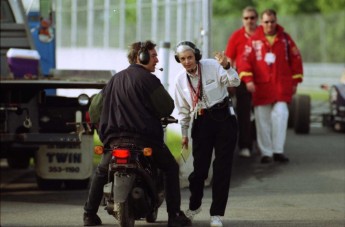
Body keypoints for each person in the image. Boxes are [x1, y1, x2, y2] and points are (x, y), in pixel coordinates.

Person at [83, 40, 191, 227]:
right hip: (143, 140)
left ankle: (89, 215)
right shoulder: (148, 80)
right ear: (141, 57)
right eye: (154, 55)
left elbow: (94, 110)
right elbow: (166, 107)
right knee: (171, 167)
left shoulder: (114, 80)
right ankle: (174, 215)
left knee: (101, 172)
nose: (157, 60)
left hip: (114, 141)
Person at [174, 41, 240, 227]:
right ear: (178, 60)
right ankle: (194, 205)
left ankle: (217, 214)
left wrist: (227, 67)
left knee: (222, 169)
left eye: (190, 57)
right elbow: (183, 110)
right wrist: (184, 133)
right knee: (200, 170)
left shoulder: (212, 65)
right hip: (201, 121)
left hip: (224, 118)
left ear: (197, 56)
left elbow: (235, 81)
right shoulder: (180, 80)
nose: (187, 61)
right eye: (183, 59)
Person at [238, 9, 303, 164]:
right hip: (261, 87)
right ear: (262, 22)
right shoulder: (253, 41)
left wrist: (295, 81)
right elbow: (244, 61)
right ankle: (266, 152)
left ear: (276, 21)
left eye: (272, 21)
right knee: (262, 120)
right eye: (266, 21)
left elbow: (296, 59)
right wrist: (248, 80)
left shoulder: (285, 39)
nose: (269, 24)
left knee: (281, 115)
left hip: (281, 85)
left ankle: (278, 151)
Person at [224, 6, 259, 158]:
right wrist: (230, 81)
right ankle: (245, 145)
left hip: (263, 81)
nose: (249, 21)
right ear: (242, 19)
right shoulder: (236, 36)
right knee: (244, 113)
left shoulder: (262, 34)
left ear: (256, 19)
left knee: (262, 114)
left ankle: (263, 143)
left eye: (252, 18)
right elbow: (229, 59)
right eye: (246, 18)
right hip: (243, 80)